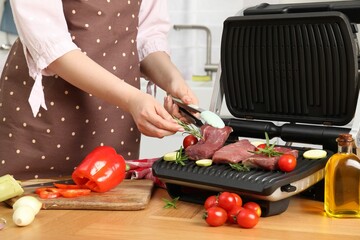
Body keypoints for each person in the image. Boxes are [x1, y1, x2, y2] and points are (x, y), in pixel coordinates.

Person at [0, 0, 198, 180]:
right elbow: (51, 46)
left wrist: (173, 81)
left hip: (113, 119)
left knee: (109, 205)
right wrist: (132, 99)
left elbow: (147, 35)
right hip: (44, 119)